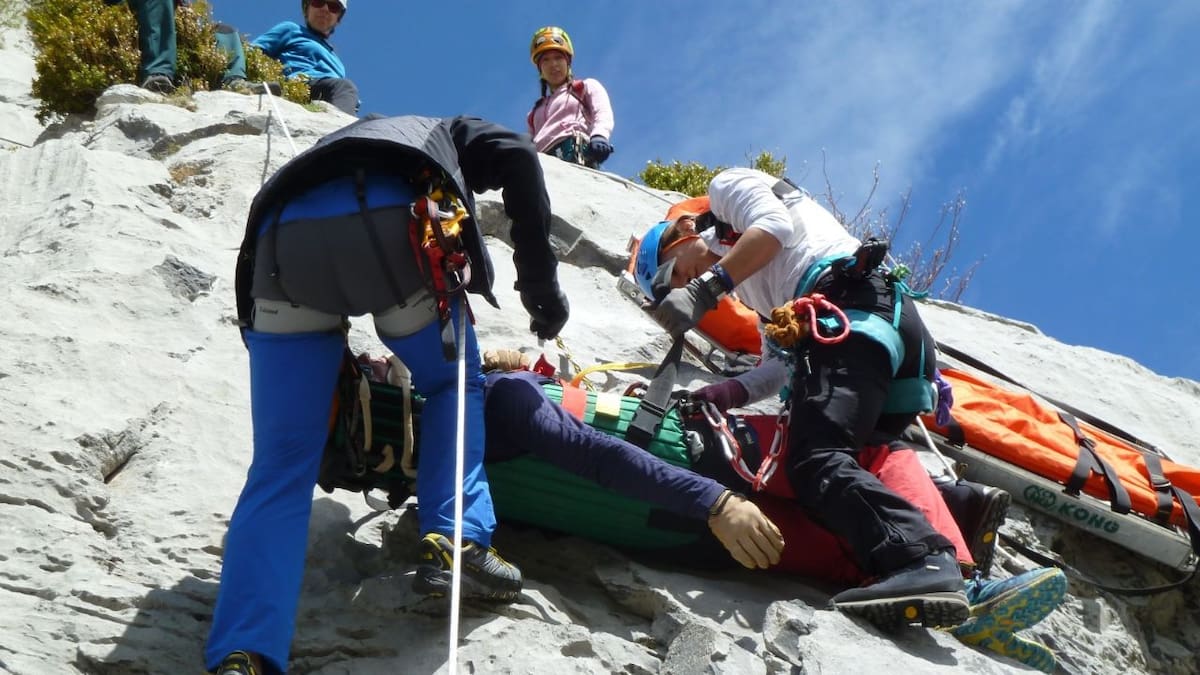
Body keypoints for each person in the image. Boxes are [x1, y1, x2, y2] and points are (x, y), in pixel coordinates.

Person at [353, 348, 1067, 672]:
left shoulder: (451, 503)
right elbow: (599, 456)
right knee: (873, 465)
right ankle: (960, 581)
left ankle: (963, 601)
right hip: (702, 470)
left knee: (837, 542)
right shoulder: (500, 402)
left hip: (676, 526)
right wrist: (720, 500)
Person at [204, 115, 570, 675]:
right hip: (392, 226)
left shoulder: (336, 144)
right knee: (452, 382)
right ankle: (458, 541)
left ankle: (243, 650)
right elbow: (518, 153)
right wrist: (540, 287)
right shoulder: (446, 129)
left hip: (281, 243)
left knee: (280, 463)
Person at [634, 167, 973, 630]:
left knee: (814, 458)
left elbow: (775, 227)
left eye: (674, 275)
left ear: (679, 236)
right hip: (875, 323)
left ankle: (923, 561)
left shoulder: (725, 190)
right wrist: (727, 391)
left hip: (850, 301)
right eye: (669, 290)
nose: (679, 286)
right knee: (871, 458)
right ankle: (958, 520)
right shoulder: (756, 294)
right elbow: (781, 366)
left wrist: (705, 288)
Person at [526, 26, 615, 169]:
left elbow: (602, 112)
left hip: (575, 156)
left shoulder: (584, 87)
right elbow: (528, 144)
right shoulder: (534, 112)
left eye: (558, 58)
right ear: (540, 69)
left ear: (568, 62)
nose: (553, 64)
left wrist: (600, 135)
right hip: (541, 165)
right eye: (546, 60)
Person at [250, 0, 359, 115]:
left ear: (338, 19)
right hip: (299, 85)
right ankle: (342, 128)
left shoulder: (338, 63)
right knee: (344, 86)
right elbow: (253, 51)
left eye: (333, 7)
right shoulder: (291, 30)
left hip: (331, 93)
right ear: (307, 8)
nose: (325, 9)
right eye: (319, 2)